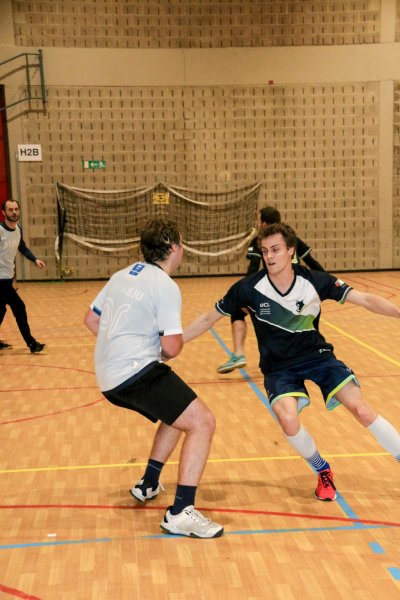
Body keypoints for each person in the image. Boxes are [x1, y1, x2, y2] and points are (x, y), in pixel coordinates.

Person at [183, 222, 400, 502]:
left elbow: (366, 299)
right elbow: (207, 319)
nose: (269, 256)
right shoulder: (248, 288)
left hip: (319, 358)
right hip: (278, 367)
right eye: (264, 251)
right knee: (288, 419)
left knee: (361, 409)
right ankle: (322, 470)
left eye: (275, 250)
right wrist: (173, 344)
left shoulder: (315, 281)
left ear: (291, 251)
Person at [83, 218, 223, 539]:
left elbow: (91, 319)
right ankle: (180, 512)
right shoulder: (165, 286)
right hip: (134, 372)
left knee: (178, 412)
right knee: (202, 422)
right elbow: (171, 348)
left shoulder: (122, 275)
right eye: (182, 244)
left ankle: (149, 482)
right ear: (173, 247)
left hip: (108, 375)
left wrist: (120, 346)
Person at [218, 205, 325, 373]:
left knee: (238, 311)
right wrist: (324, 281)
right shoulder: (291, 239)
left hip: (276, 289)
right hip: (299, 290)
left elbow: (253, 269)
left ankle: (239, 353)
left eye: (259, 221)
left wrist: (245, 293)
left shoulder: (260, 241)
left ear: (264, 224)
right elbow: (312, 262)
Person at [0, 199, 46, 353]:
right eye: (10, 210)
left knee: (1, 310)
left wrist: (35, 259)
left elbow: (23, 248)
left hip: (7, 277)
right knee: (19, 307)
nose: (14, 212)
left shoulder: (18, 230)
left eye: (16, 209)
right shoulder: (0, 231)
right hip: (0, 280)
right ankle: (31, 343)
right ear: (4, 213)